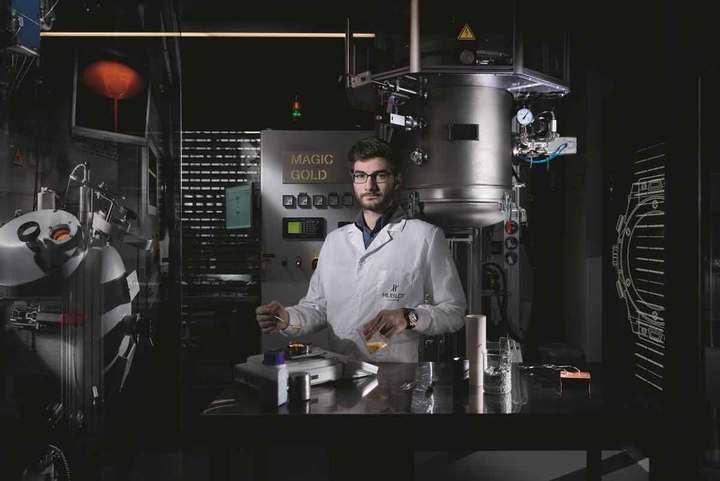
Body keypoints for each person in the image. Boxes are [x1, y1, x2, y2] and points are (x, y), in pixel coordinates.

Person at [255, 137, 466, 362]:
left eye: (380, 176)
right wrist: (287, 318)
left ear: (397, 180)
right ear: (353, 180)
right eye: (361, 176)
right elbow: (317, 308)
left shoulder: (425, 236)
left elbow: (453, 312)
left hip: (396, 375)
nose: (370, 185)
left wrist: (409, 316)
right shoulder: (335, 242)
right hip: (339, 371)